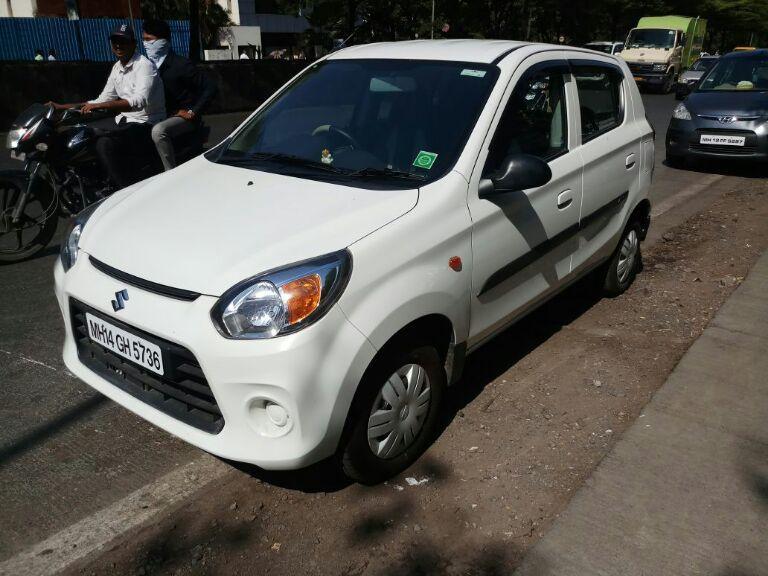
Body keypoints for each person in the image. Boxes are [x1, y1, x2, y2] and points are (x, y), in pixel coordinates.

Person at [47, 23, 165, 189]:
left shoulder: (144, 65)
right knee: (82, 135)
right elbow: (101, 99)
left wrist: (103, 106)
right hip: (125, 122)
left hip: (146, 123)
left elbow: (139, 101)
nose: (118, 45)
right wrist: (61, 107)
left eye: (123, 41)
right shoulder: (117, 68)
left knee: (104, 143)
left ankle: (124, 190)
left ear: (133, 44)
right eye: (115, 41)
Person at [142, 19, 217, 171]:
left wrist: (193, 111)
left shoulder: (181, 65)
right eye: (143, 40)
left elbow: (210, 87)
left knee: (159, 131)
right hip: (157, 114)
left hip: (180, 117)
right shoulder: (146, 67)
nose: (146, 44)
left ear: (163, 41)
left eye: (149, 40)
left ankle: (169, 172)